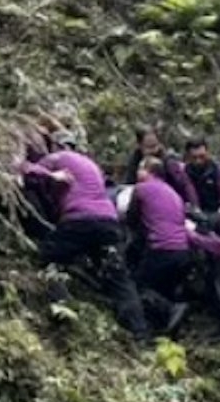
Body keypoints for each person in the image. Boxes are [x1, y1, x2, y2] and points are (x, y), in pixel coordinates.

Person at [21, 135, 149, 340]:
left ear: (57, 145)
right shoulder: (91, 165)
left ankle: (62, 314)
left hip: (79, 221)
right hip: (109, 222)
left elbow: (26, 171)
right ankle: (140, 333)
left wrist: (49, 175)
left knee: (48, 258)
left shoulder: (57, 157)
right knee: (119, 278)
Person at [126, 156, 195, 337]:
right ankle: (168, 332)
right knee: (163, 290)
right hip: (183, 250)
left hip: (161, 248)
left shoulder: (141, 189)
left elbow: (131, 218)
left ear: (148, 171)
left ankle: (171, 310)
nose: (136, 172)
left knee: (138, 286)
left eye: (140, 169)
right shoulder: (173, 193)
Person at [121, 127, 197, 207]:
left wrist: (194, 206)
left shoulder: (168, 161)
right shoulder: (136, 160)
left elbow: (185, 184)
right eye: (149, 147)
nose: (153, 151)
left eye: (155, 146)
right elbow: (129, 183)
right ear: (140, 145)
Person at [183, 138, 220, 217]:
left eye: (202, 156)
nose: (198, 161)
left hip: (219, 213)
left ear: (208, 153)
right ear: (188, 156)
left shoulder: (218, 170)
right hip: (196, 213)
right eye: (194, 157)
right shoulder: (185, 172)